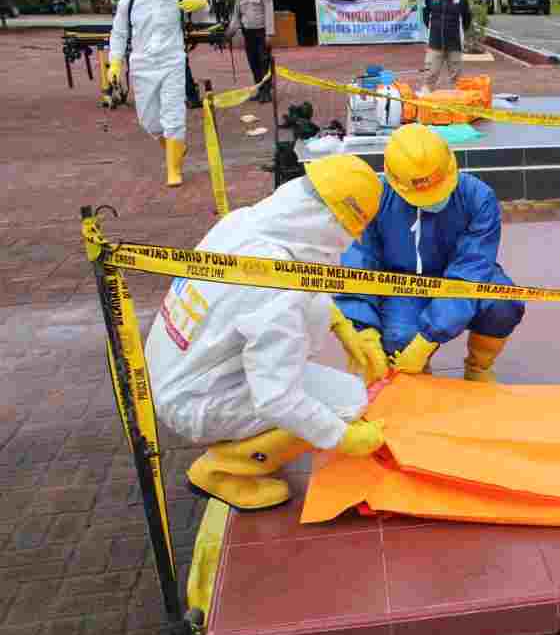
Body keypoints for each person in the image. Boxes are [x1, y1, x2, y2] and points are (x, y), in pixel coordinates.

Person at [144, 155, 386, 511]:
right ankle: (222, 472)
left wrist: (342, 326)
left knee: (321, 393)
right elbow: (277, 397)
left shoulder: (244, 223)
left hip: (172, 368)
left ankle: (248, 447)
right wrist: (343, 437)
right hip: (194, 400)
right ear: (331, 223)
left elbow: (303, 280)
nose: (348, 242)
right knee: (344, 404)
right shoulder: (276, 290)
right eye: (349, 231)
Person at [334, 125, 525, 382]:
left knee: (503, 303)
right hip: (403, 283)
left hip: (463, 279)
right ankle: (418, 382)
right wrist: (362, 327)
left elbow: (471, 268)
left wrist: (429, 336)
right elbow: (359, 262)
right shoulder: (375, 200)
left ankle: (478, 368)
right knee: (399, 339)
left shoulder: (478, 197)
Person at [108, 0, 208, 187]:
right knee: (149, 121)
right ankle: (176, 147)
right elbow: (119, 33)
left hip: (172, 62)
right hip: (142, 66)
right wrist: (115, 63)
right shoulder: (129, 1)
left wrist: (201, 3)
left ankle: (173, 169)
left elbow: (202, 16)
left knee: (173, 116)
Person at [226, 0, 274, 103]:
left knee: (264, 63)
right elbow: (236, 16)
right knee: (253, 63)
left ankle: (266, 92)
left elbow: (269, 13)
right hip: (248, 34)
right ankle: (260, 90)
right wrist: (230, 31)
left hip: (261, 32)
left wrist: (269, 34)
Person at [422, 0, 471, 91]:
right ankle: (426, 104)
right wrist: (433, 31)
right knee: (429, 76)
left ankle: (458, 105)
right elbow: (425, 15)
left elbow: (466, 20)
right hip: (434, 45)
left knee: (457, 80)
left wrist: (459, 35)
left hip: (454, 46)